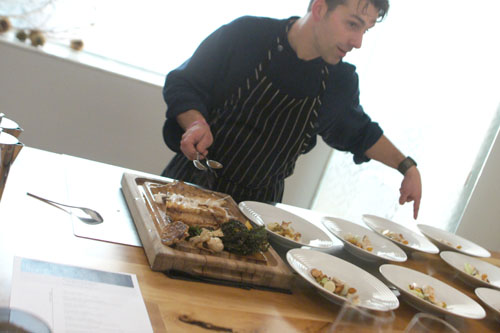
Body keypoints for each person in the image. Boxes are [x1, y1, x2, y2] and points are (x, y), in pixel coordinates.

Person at [161, 0, 422, 219]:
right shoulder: (247, 35)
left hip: (255, 214)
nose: (357, 42)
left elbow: (359, 132)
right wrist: (195, 123)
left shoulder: (338, 82)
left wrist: (407, 167)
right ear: (320, 9)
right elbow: (184, 84)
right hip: (186, 190)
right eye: (352, 24)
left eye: (365, 30)